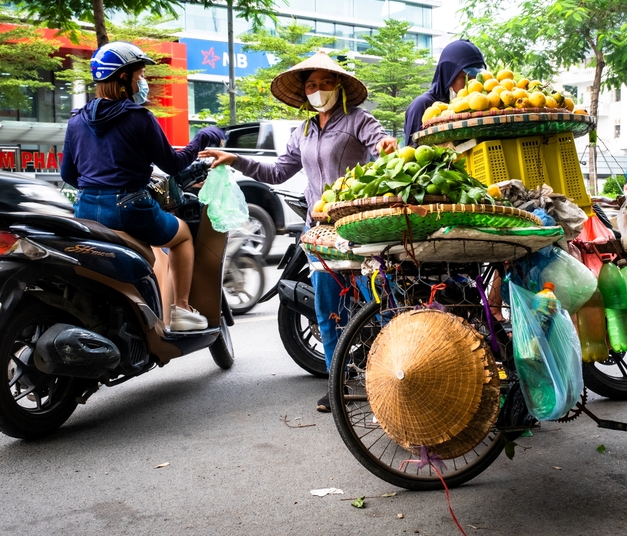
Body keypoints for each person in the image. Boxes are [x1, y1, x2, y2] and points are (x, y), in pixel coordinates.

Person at [199, 51, 397, 412]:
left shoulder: (358, 120)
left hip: (356, 227)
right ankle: (340, 384)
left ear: (338, 86)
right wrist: (235, 159)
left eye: (324, 83)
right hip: (319, 231)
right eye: (311, 85)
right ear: (304, 92)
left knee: (375, 304)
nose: (317, 90)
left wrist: (386, 147)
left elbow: (380, 143)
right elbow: (277, 173)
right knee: (327, 310)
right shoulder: (303, 131)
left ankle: (384, 377)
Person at [61, 41, 225, 332]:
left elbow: (68, 173)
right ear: (124, 78)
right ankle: (181, 310)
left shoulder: (76, 121)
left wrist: (98, 188)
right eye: (140, 74)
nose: (143, 81)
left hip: (86, 209)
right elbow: (174, 165)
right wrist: (201, 137)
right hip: (129, 209)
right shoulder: (139, 118)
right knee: (183, 235)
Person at [402, 39, 486, 146]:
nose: (473, 84)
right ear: (449, 75)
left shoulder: (472, 106)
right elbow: (412, 154)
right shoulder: (422, 105)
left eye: (476, 78)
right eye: (466, 78)